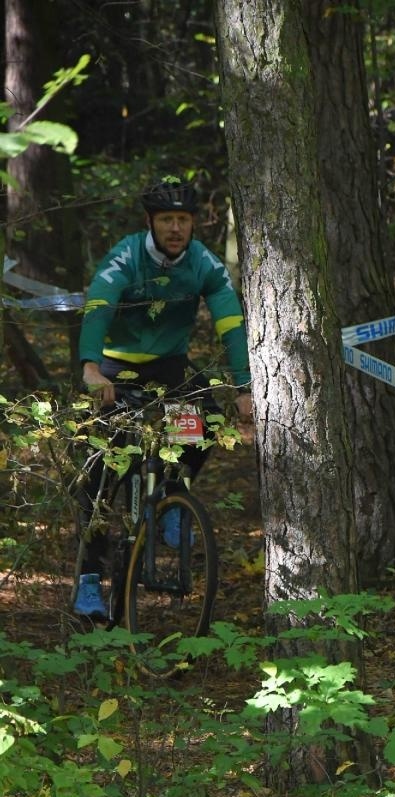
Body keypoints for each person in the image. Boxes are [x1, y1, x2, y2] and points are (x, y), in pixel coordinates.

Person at [74, 175, 252, 619]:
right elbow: (99, 304)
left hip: (170, 374)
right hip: (115, 371)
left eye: (183, 220)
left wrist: (244, 385)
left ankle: (173, 498)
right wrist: (91, 367)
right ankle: (89, 580)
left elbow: (230, 322)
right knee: (98, 478)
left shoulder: (203, 264)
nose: (176, 228)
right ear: (150, 222)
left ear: (193, 224)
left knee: (204, 426)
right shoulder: (126, 256)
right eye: (167, 219)